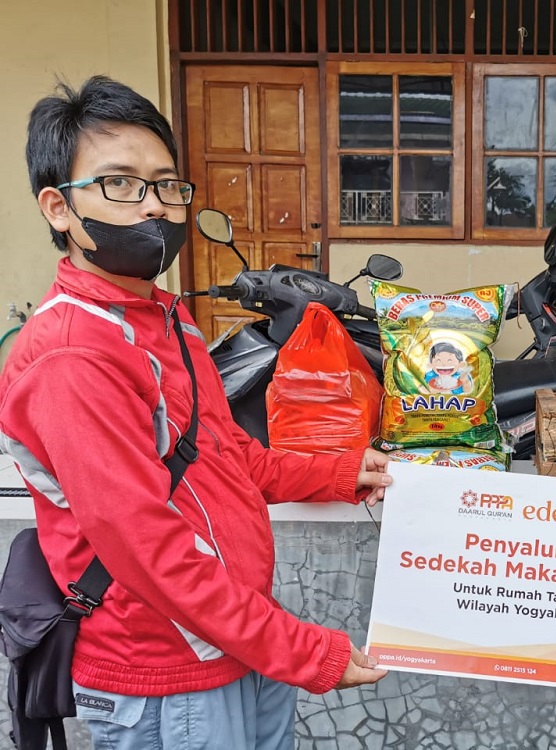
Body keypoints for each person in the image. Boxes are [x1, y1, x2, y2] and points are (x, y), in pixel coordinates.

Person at [0, 76, 391, 749]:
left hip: (237, 642)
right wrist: (301, 650)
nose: (154, 206)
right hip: (168, 672)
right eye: (120, 184)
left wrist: (342, 470)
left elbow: (227, 458)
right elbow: (147, 549)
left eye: (167, 185)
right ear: (58, 208)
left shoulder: (167, 322)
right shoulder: (72, 357)